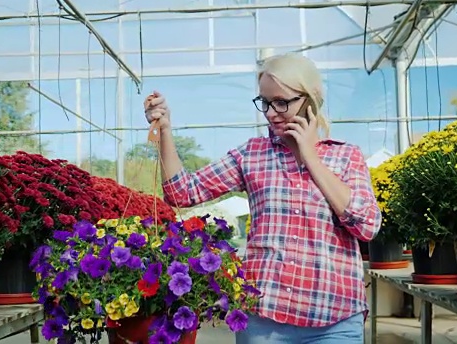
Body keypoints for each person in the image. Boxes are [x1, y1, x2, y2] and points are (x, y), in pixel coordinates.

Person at [144, 53, 381, 344]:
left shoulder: (346, 157)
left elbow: (367, 226)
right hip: (264, 321)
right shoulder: (251, 155)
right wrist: (165, 129)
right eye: (265, 103)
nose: (270, 113)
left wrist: (310, 156)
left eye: (281, 102)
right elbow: (182, 192)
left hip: (335, 321)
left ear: (312, 99)